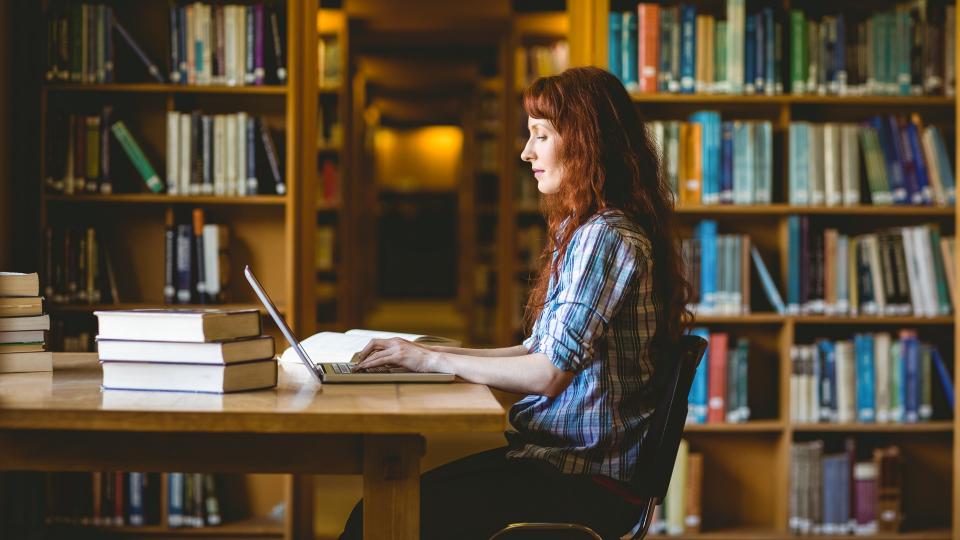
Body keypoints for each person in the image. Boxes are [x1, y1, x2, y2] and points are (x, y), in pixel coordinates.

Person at [339, 66, 691, 540]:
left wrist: (430, 358)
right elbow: (534, 350)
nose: (526, 152)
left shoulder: (606, 237)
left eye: (540, 136)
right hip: (555, 460)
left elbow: (547, 374)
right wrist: (418, 357)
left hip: (581, 478)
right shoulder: (587, 230)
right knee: (381, 507)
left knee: (378, 516)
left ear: (585, 141)